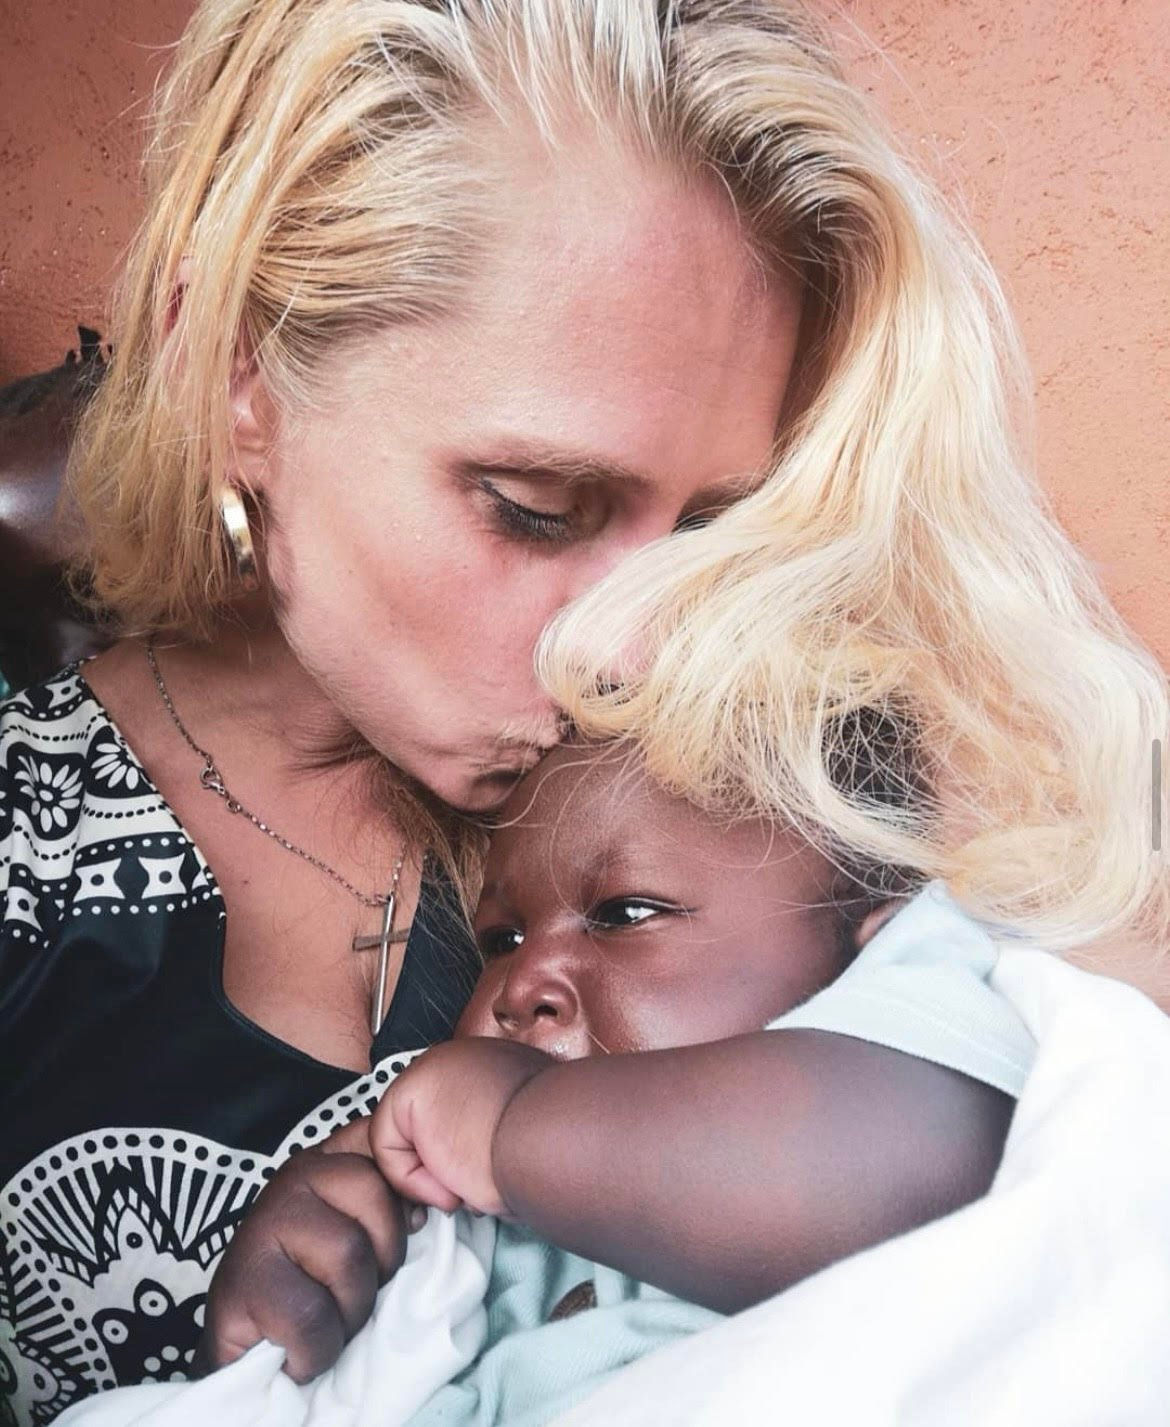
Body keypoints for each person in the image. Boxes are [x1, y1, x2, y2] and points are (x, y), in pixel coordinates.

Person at [2, 1, 1165, 1423]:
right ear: (240, 372)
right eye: (536, 507)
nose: (628, 647)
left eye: (711, 530)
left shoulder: (764, 787)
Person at [70, 737, 1031, 1427]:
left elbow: (915, 1156)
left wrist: (507, 1127)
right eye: (503, 939)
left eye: (626, 911)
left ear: (865, 942)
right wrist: (282, 1319)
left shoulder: (903, 1017)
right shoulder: (471, 1225)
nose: (524, 983)